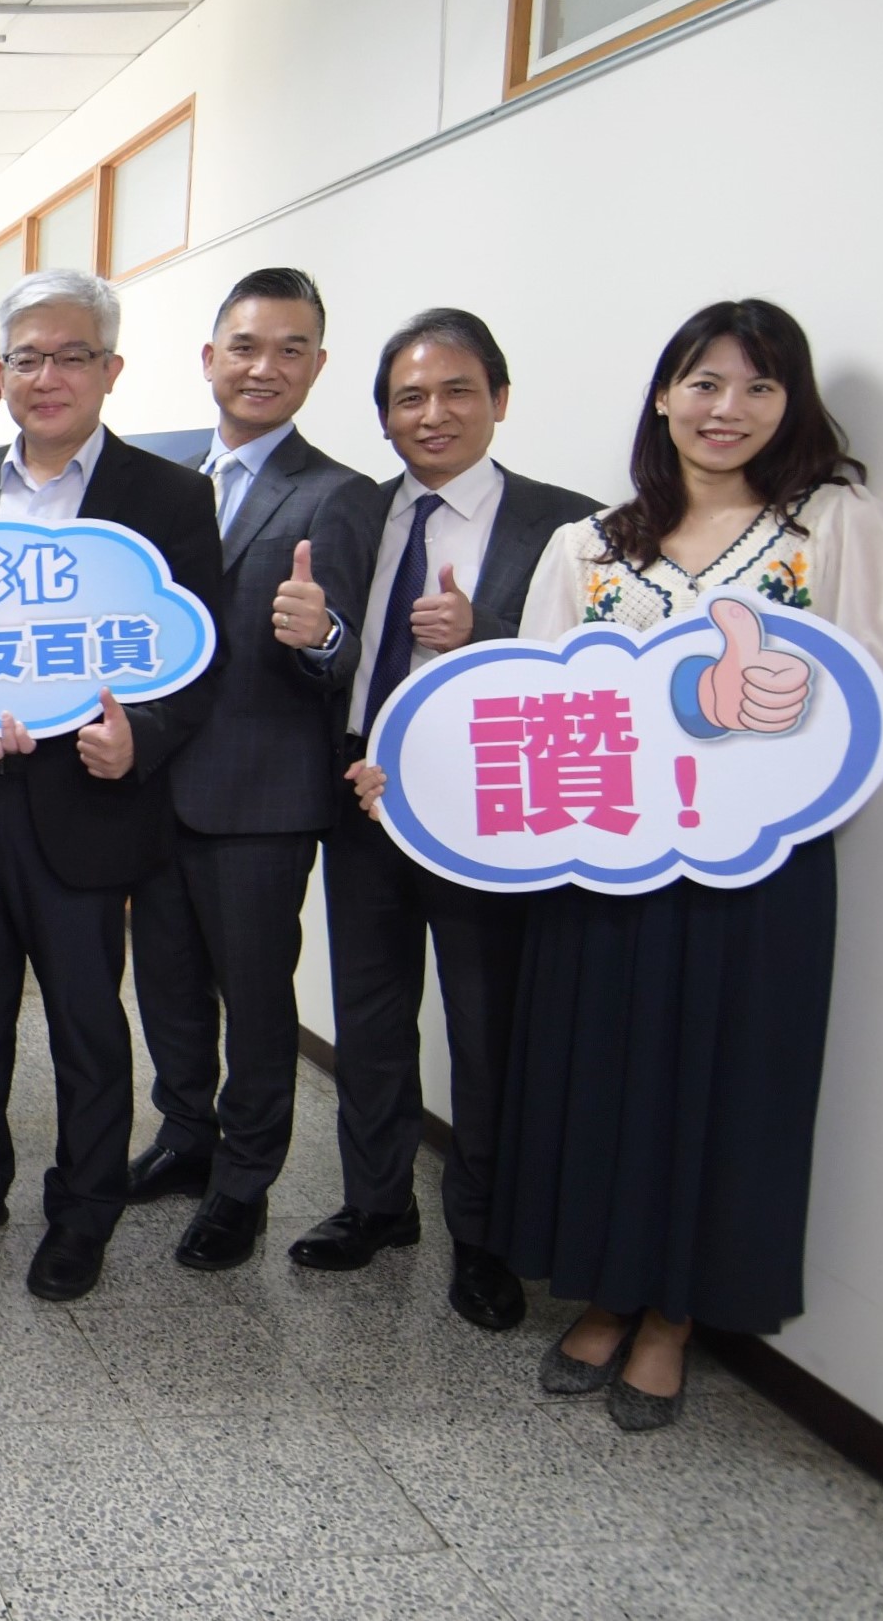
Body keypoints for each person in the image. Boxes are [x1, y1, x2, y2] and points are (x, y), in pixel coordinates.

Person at [489, 300, 883, 1428]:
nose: (726, 409)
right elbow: (537, 703)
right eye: (703, 383)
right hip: (607, 867)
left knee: (726, 1087)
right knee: (601, 1074)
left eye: (757, 387)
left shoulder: (829, 524)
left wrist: (765, 773)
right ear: (662, 396)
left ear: (789, 403)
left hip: (758, 873)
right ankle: (605, 1290)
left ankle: (672, 1319)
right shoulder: (589, 544)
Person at [0, 269, 224, 1302]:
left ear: (109, 369)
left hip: (87, 798)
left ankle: (82, 1211)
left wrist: (141, 740)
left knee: (83, 1023)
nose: (44, 378)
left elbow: (196, 655)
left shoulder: (168, 495)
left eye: (69, 356)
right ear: (1, 374)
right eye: (25, 358)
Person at [304, 309, 600, 1330]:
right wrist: (318, 641)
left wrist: (487, 632)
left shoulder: (568, 527)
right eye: (407, 398)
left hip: (487, 816)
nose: (431, 414)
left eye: (455, 391)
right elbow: (335, 652)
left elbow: (589, 674)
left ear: (498, 400)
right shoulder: (351, 512)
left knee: (484, 1028)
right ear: (384, 416)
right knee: (369, 1016)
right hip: (362, 796)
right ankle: (376, 1203)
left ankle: (483, 1234)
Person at [127, 267, 371, 1273]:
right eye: (244, 346)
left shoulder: (338, 495)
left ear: (315, 364)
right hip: (148, 781)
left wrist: (324, 636)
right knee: (165, 982)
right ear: (208, 357)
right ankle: (184, 1133)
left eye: (288, 349)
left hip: (261, 797)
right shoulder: (159, 474)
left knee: (257, 1000)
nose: (262, 366)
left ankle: (242, 1182)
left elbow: (348, 659)